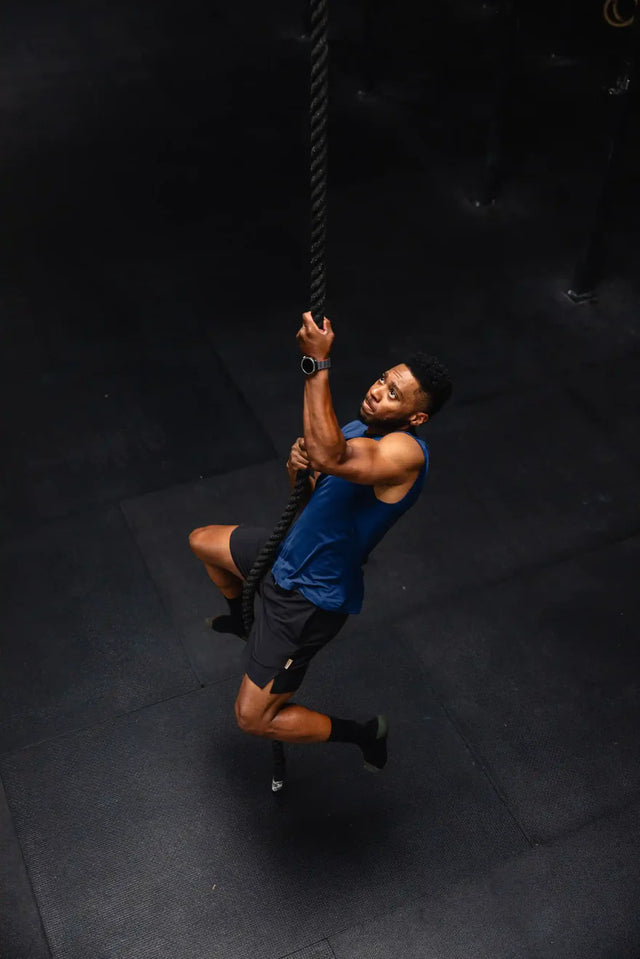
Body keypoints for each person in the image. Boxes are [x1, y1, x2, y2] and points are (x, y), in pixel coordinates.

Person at [189, 312, 452, 771]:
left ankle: (365, 734)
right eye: (382, 381)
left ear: (417, 416)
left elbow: (332, 455)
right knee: (203, 542)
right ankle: (243, 622)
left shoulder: (405, 452)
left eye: (394, 394)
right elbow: (313, 488)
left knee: (251, 719)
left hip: (309, 597)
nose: (377, 391)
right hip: (286, 551)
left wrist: (316, 364)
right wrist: (297, 467)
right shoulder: (352, 428)